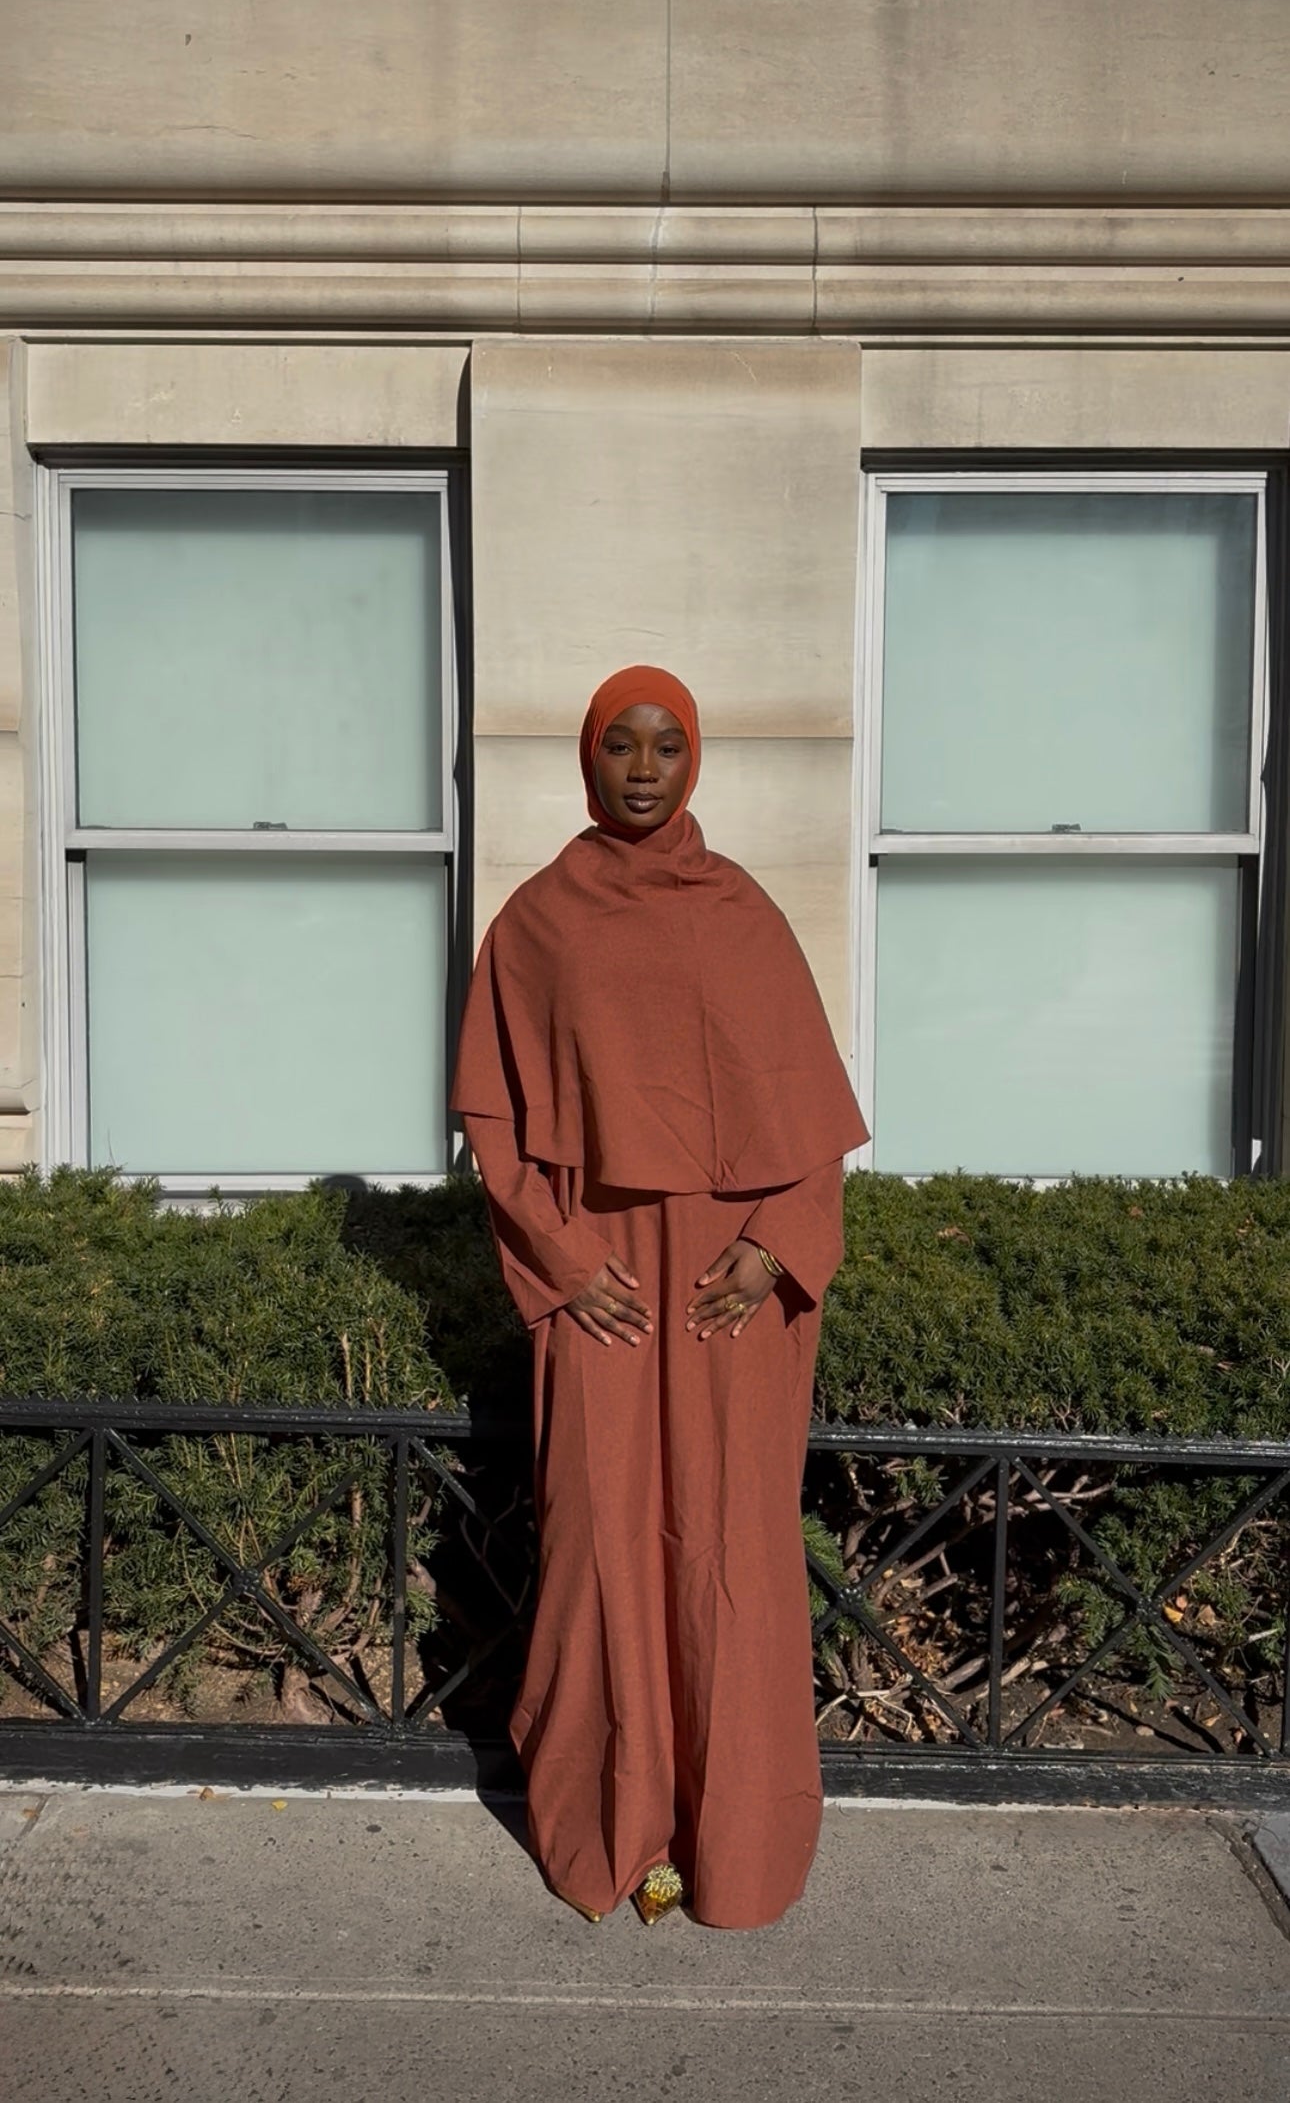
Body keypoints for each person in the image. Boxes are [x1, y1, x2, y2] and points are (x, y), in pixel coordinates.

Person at [450, 665, 868, 1928]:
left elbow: (808, 1123)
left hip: (729, 1302)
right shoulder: (535, 925)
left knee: (731, 1559)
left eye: (668, 744)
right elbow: (496, 1122)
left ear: (697, 762)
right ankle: (616, 1830)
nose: (643, 766)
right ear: (587, 758)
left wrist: (776, 1249)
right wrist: (568, 1263)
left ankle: (728, 1847)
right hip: (607, 1298)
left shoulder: (743, 910)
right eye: (620, 744)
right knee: (600, 1549)